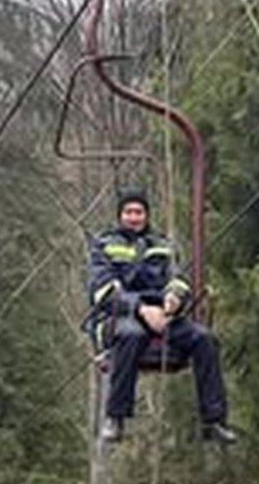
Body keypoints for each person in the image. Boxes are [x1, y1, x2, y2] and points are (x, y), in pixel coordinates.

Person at [85, 186, 234, 445]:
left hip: (163, 316)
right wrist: (141, 308)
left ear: (147, 214)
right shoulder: (104, 245)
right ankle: (115, 418)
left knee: (204, 339)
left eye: (139, 211)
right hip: (121, 315)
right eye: (129, 212)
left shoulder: (162, 245)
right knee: (130, 334)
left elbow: (178, 279)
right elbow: (103, 290)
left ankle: (213, 421)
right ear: (120, 215)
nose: (134, 217)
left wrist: (173, 300)